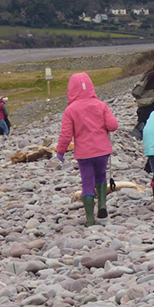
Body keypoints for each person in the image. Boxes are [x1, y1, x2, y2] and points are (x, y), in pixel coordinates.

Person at [56, 73, 119, 227]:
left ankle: (90, 218)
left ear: (71, 90)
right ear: (91, 86)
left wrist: (61, 151)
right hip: (102, 150)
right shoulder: (101, 105)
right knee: (101, 176)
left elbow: (66, 135)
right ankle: (102, 205)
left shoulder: (70, 110)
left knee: (87, 182)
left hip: (84, 153)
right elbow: (113, 125)